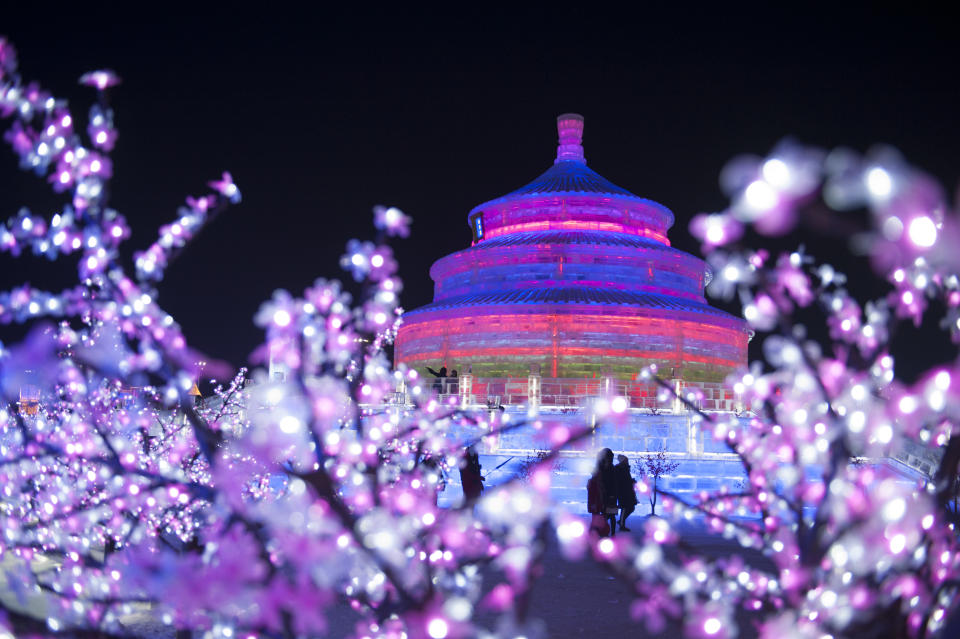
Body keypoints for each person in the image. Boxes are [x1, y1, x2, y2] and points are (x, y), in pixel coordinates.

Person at [614, 454, 638, 531]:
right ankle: (621, 524)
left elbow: (625, 480)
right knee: (626, 507)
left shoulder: (625, 468)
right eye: (626, 460)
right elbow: (621, 481)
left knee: (630, 507)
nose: (627, 461)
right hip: (623, 491)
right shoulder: (619, 468)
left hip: (627, 491)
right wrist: (630, 482)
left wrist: (631, 481)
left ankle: (621, 521)